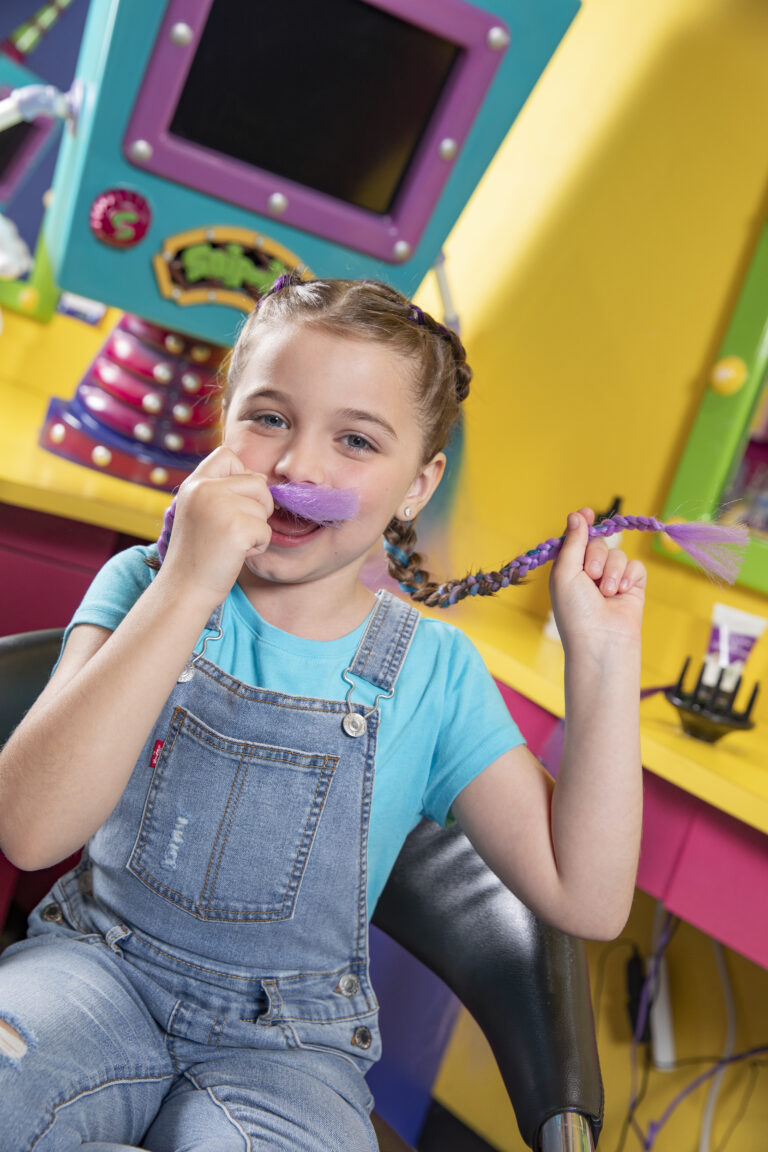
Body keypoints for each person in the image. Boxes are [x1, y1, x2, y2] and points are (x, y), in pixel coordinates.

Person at [0, 276, 645, 1151]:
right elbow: (32, 832)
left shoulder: (436, 674)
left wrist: (603, 668)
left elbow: (590, 900)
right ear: (222, 427)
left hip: (290, 1052)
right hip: (91, 971)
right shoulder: (142, 586)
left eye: (355, 440)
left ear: (417, 486)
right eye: (267, 418)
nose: (300, 468)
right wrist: (189, 584)